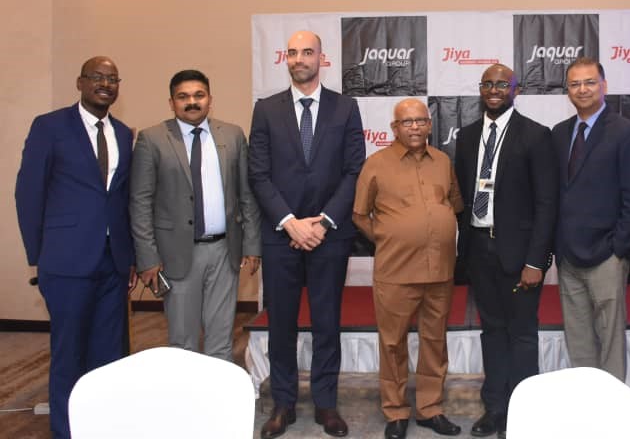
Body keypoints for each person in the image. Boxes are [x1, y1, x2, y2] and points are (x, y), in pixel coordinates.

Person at [249, 30, 365, 439]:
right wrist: (290, 222)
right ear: (286, 58)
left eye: (307, 52)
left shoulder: (345, 108)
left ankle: (326, 403)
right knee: (280, 323)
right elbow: (258, 173)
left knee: (326, 322)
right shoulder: (266, 109)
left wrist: (323, 221)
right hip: (280, 234)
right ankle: (283, 403)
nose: (299, 59)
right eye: (293, 52)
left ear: (321, 58)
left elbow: (354, 170)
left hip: (328, 236)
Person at [15, 56, 135, 439]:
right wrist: (39, 256)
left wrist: (130, 258)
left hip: (113, 264)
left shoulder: (123, 134)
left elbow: (123, 200)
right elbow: (28, 193)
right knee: (69, 355)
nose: (105, 84)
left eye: (112, 79)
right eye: (97, 77)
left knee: (109, 357)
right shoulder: (49, 127)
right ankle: (66, 431)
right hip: (66, 263)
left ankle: (104, 428)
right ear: (80, 82)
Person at [454, 63, 558, 439]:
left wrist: (536, 260)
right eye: (488, 84)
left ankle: (522, 411)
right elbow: (462, 197)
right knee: (492, 331)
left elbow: (547, 203)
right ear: (481, 89)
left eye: (502, 84)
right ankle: (495, 408)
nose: (494, 90)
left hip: (520, 254)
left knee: (523, 334)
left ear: (516, 89)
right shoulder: (467, 137)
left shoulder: (536, 135)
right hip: (479, 249)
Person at [130, 69, 261, 361]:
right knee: (183, 343)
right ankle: (185, 392)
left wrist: (252, 245)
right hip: (176, 254)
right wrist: (147, 257)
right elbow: (140, 202)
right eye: (183, 96)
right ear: (171, 102)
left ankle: (219, 391)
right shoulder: (152, 139)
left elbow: (246, 195)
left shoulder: (232, 135)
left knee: (221, 340)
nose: (192, 102)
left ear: (210, 99)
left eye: (199, 95)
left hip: (224, 252)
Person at [353, 98, 464, 439]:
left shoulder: (443, 161)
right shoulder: (376, 164)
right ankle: (396, 411)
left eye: (420, 121)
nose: (414, 127)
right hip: (396, 272)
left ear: (430, 125)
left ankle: (430, 409)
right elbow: (360, 215)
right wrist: (388, 237)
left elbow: (453, 204)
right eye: (407, 122)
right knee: (392, 344)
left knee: (435, 341)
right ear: (394, 128)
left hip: (440, 270)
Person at [551, 57, 630, 381]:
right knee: (578, 339)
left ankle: (612, 406)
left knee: (610, 340)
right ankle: (586, 404)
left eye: (590, 82)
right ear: (568, 90)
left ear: (604, 86)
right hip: (568, 257)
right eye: (575, 84)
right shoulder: (560, 133)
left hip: (607, 255)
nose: (583, 89)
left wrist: (618, 247)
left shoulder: (626, 132)